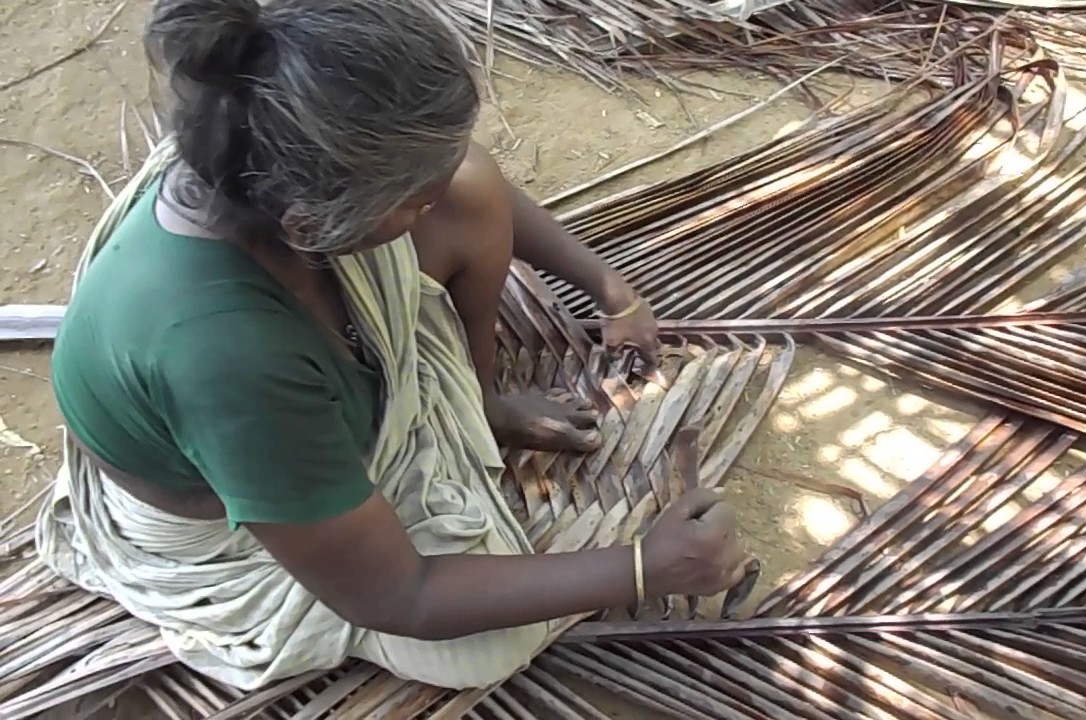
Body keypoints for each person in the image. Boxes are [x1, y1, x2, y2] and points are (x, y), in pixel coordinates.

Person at [39, 0, 746, 692]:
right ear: (313, 228)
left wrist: (611, 289)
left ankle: (476, 402)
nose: (437, 202)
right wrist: (645, 567)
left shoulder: (257, 141)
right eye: (417, 202)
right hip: (231, 516)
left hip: (277, 389)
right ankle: (438, 429)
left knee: (469, 188)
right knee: (483, 649)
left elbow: (466, 182)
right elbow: (397, 597)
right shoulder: (232, 359)